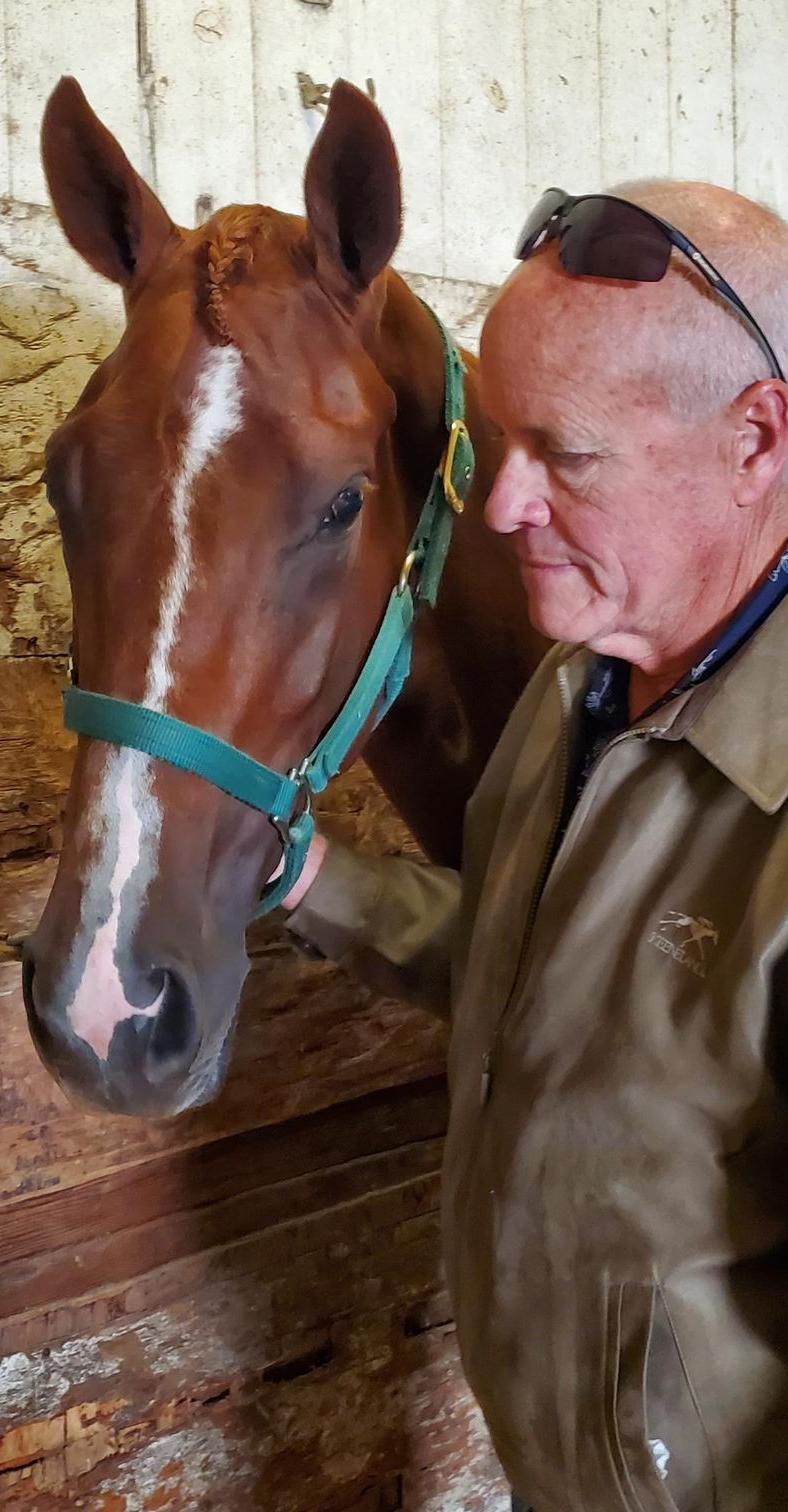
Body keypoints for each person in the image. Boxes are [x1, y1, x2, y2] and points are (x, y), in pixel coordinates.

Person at [282, 182, 788, 1512]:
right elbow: (544, 969)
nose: (500, 511)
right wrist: (312, 881)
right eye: (492, 444)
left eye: (562, 457)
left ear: (755, 438)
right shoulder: (585, 687)